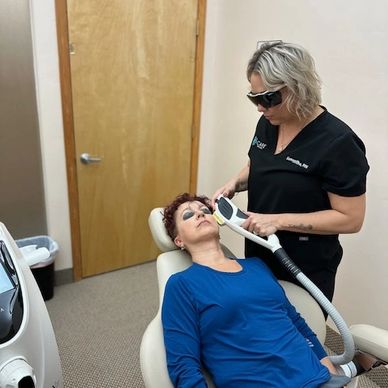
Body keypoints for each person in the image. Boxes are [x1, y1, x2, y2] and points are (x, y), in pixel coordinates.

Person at [211, 41, 369, 303]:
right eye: (254, 98)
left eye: (267, 98)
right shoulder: (269, 122)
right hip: (260, 253)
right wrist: (233, 184)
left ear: (298, 88)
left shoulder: (338, 143)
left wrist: (279, 221)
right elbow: (259, 164)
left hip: (304, 265)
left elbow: (351, 219)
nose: (260, 107)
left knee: (294, 336)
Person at [161, 192, 351, 387]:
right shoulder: (181, 285)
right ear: (179, 240)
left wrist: (330, 373)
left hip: (316, 378)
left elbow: (296, 323)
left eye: (205, 211)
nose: (200, 215)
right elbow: (183, 365)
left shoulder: (256, 266)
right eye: (188, 215)